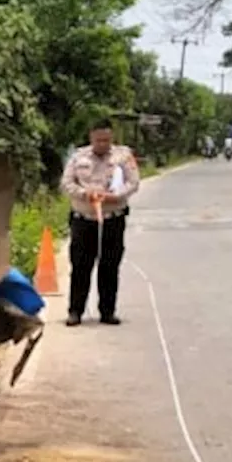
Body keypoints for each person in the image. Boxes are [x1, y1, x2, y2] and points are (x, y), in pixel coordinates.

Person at [59, 119, 140, 326]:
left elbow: (133, 182)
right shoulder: (78, 157)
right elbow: (66, 183)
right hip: (84, 219)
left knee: (110, 266)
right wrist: (86, 194)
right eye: (98, 140)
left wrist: (116, 196)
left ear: (111, 138)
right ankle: (75, 311)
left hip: (113, 219)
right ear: (91, 138)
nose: (102, 144)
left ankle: (107, 311)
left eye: (106, 140)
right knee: (80, 267)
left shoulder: (123, 156)